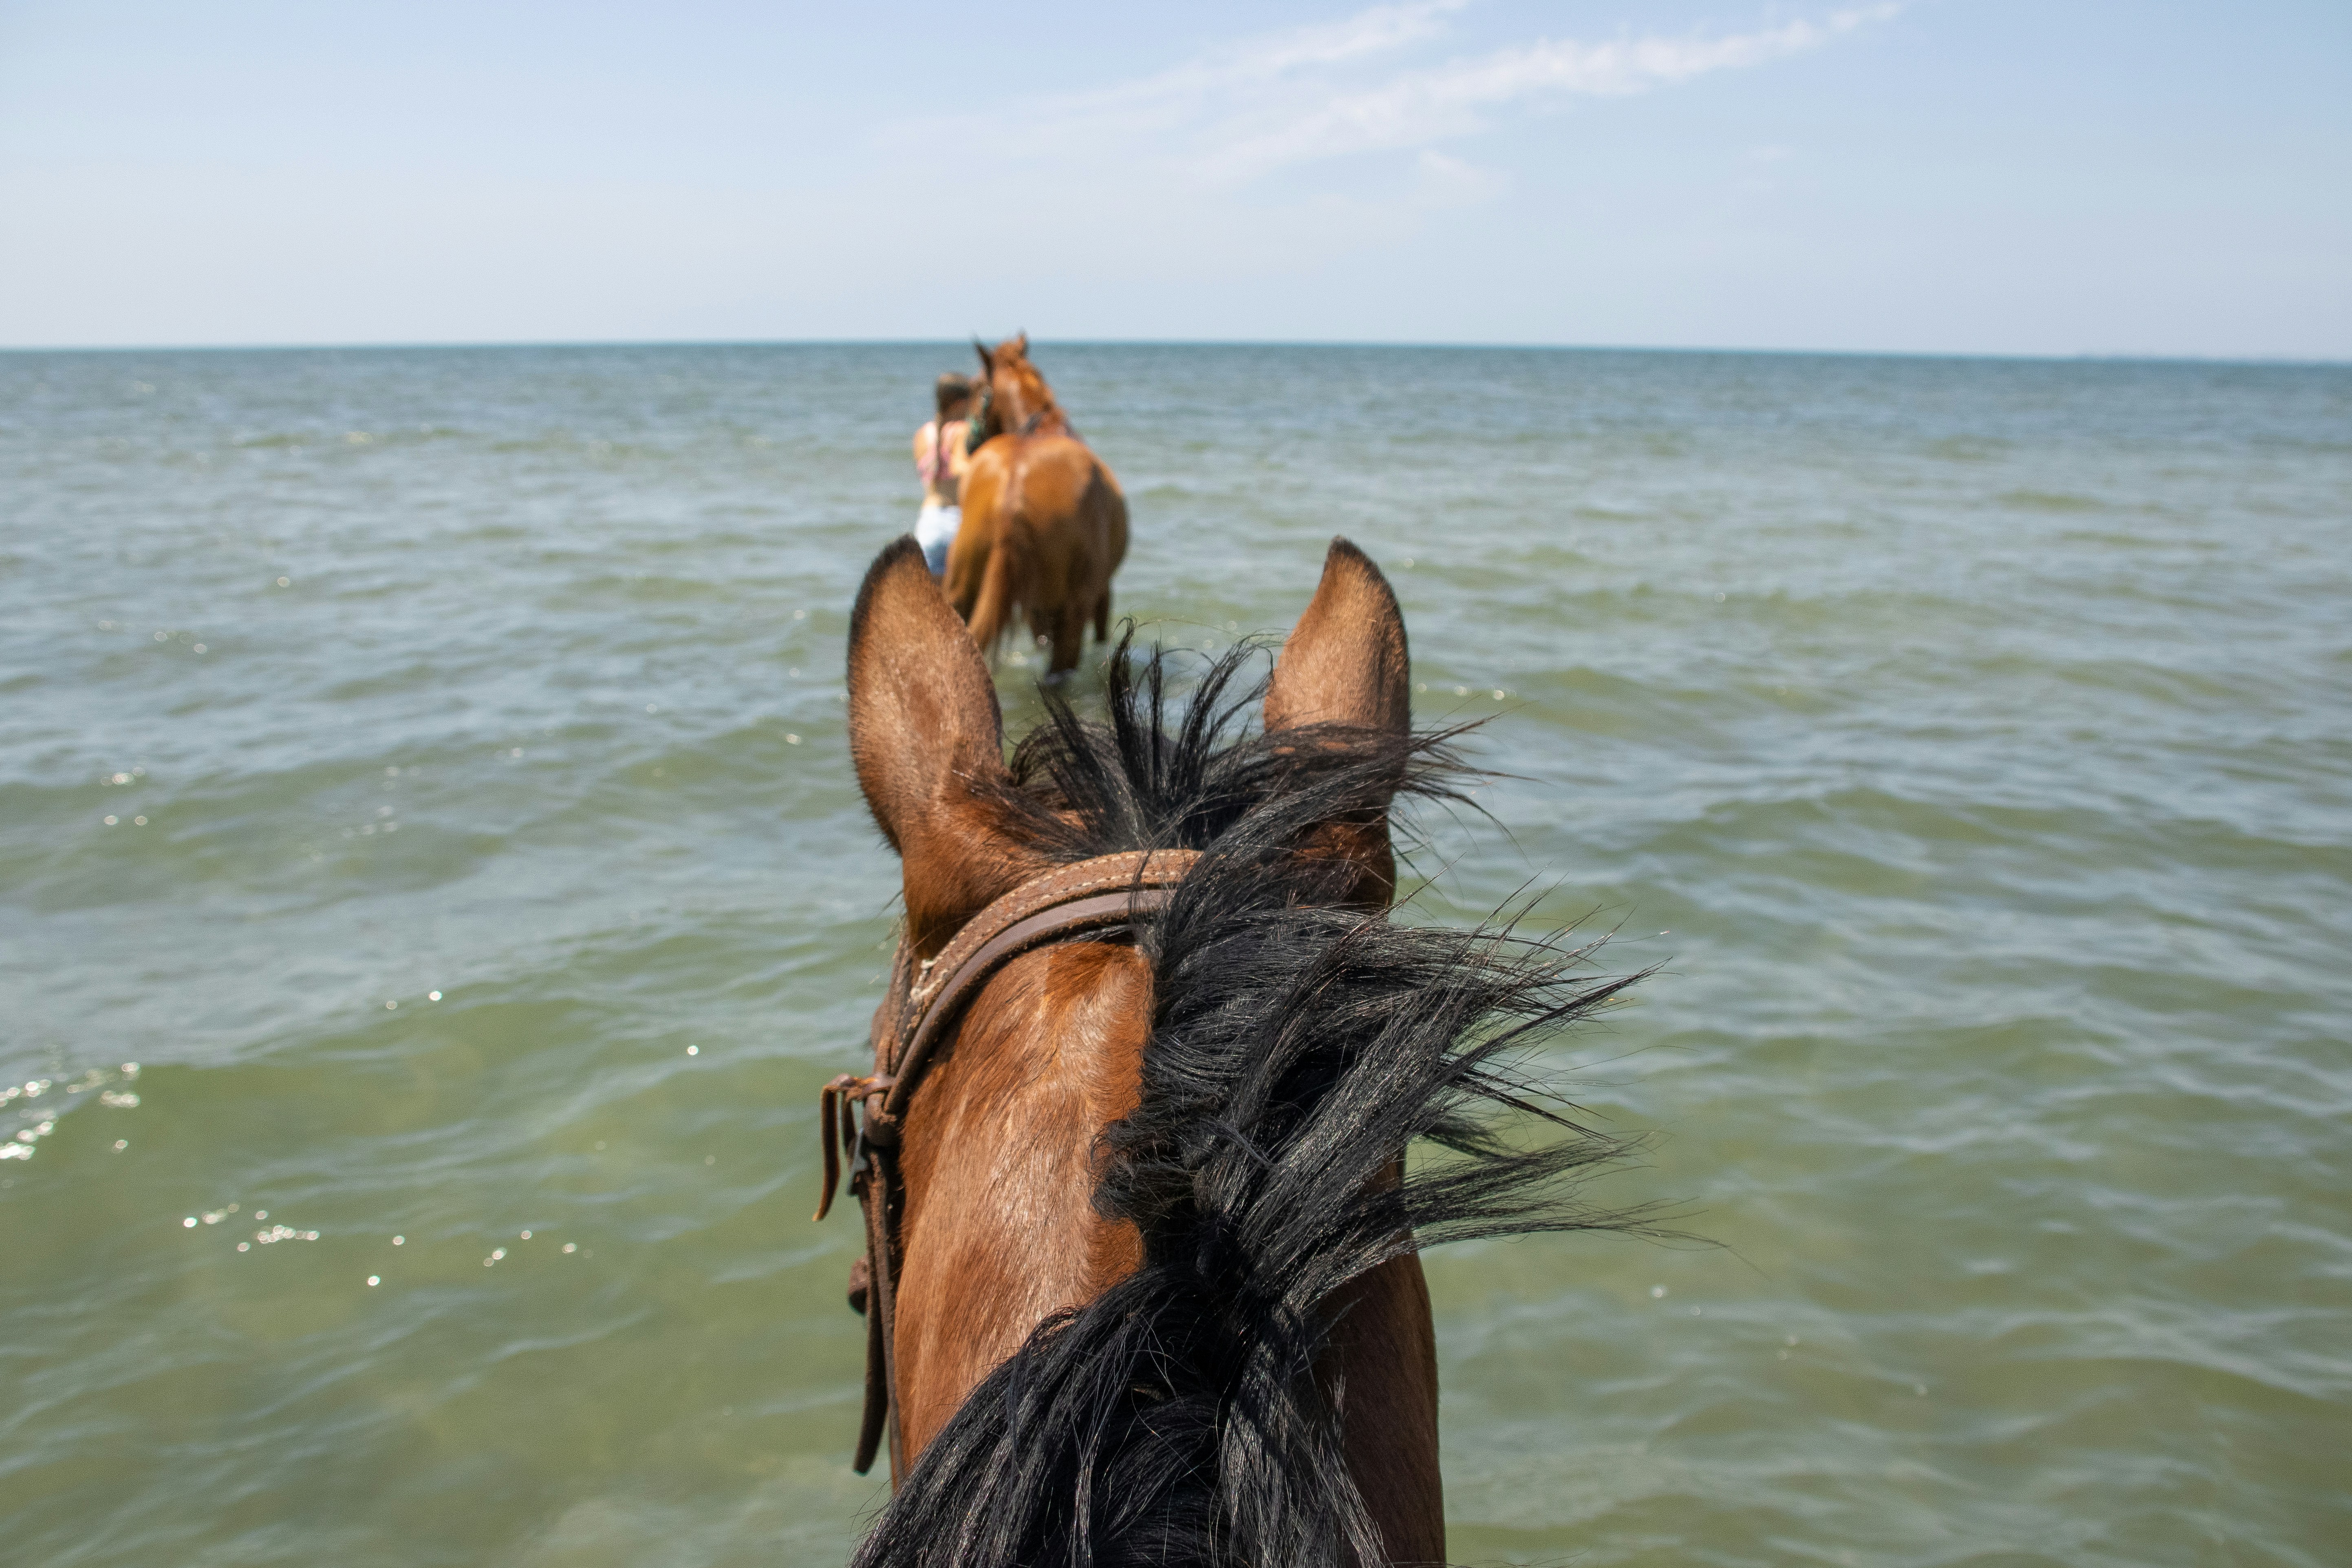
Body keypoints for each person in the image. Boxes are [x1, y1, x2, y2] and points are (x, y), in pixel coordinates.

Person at [912, 373, 973, 577]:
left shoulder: (922, 434)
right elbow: (959, 468)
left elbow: (930, 473)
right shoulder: (962, 430)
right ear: (960, 403)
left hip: (928, 523)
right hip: (956, 521)